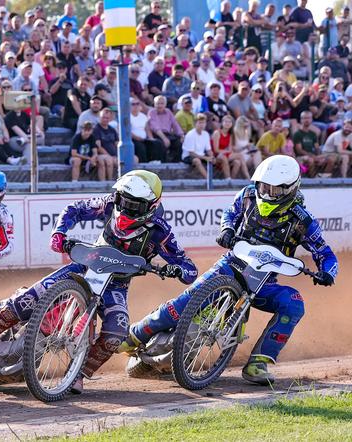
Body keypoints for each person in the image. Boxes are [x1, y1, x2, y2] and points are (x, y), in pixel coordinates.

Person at [0, 170, 197, 393]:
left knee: (116, 332)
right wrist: (59, 232)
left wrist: (174, 270)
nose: (125, 207)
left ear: (151, 206)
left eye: (134, 205)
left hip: (116, 285)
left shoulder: (161, 231)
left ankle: (79, 373)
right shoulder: (109, 203)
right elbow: (75, 208)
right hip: (86, 263)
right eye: (122, 200)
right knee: (25, 300)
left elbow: (190, 270)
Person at [122, 155, 338, 385]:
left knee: (294, 303)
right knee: (186, 300)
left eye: (274, 190)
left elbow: (325, 253)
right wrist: (226, 229)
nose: (266, 193)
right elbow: (230, 214)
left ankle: (259, 363)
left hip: (264, 284)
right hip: (230, 266)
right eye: (263, 186)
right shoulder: (247, 195)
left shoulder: (303, 221)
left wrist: (327, 273)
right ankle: (136, 334)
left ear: (290, 189)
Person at [181, 113, 214, 179]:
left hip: (201, 155)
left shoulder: (206, 134)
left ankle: (228, 181)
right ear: (195, 123)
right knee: (197, 161)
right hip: (188, 156)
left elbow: (208, 150)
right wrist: (205, 158)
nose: (202, 125)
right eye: (200, 123)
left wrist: (212, 157)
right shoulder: (190, 134)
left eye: (203, 123)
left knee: (217, 159)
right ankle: (209, 180)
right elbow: (191, 153)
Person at [93, 107, 118, 181]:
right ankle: (109, 181)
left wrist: (118, 155)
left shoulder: (112, 129)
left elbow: (117, 144)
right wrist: (110, 156)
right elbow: (98, 146)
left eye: (107, 118)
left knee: (132, 159)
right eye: (103, 117)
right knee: (109, 160)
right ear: (99, 117)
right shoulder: (96, 129)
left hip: (114, 155)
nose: (105, 119)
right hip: (101, 154)